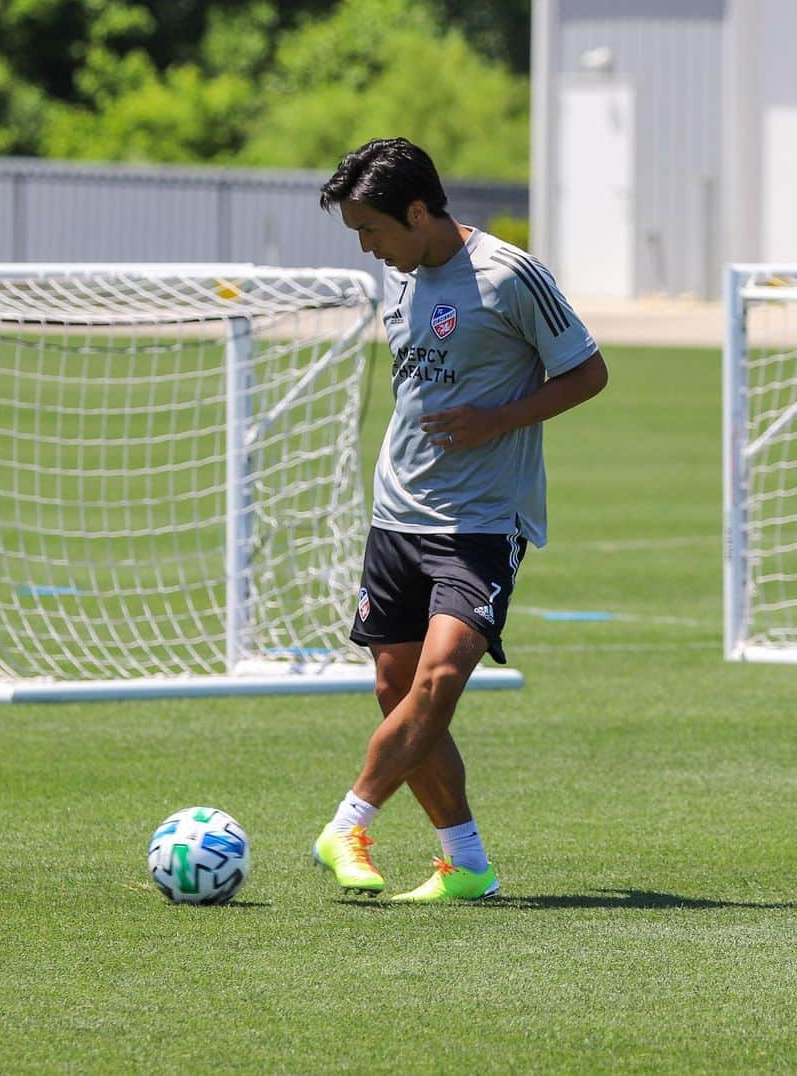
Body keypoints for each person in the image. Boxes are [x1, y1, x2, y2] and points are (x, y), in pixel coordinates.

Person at [313, 137, 608, 902]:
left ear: (419, 211)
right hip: (397, 513)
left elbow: (588, 371)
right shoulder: (396, 273)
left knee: (441, 678)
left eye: (371, 230)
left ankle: (350, 820)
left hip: (481, 520)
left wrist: (501, 418)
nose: (368, 248)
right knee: (398, 688)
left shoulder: (510, 275)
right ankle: (467, 864)